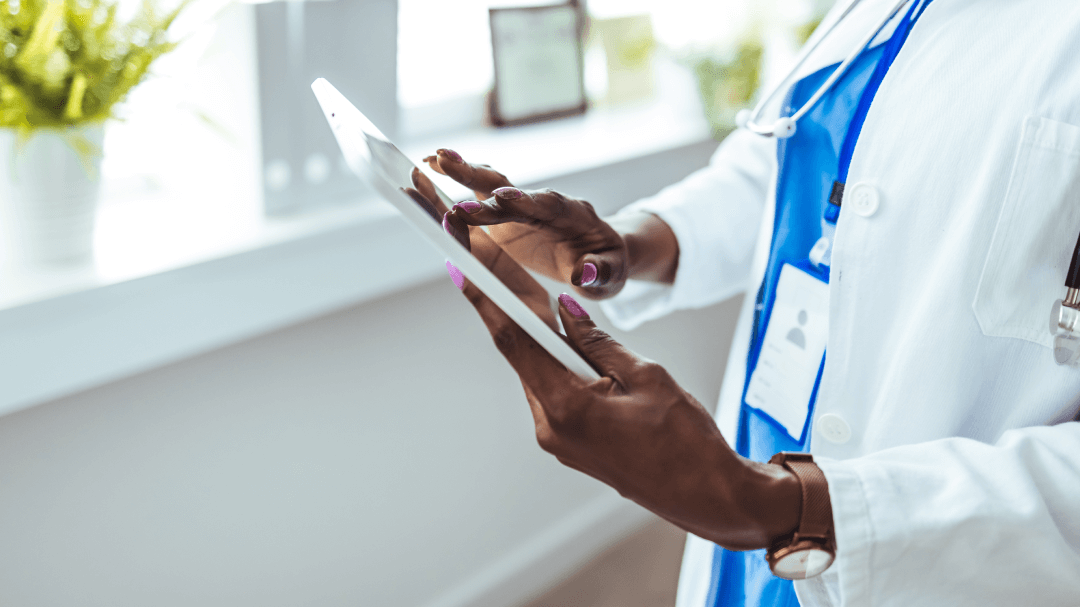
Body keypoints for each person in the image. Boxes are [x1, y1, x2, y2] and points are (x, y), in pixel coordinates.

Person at [414, 0, 1080, 604]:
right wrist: (626, 243)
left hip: (927, 555)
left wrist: (782, 505)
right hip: (760, 467)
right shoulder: (877, 10)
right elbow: (777, 167)